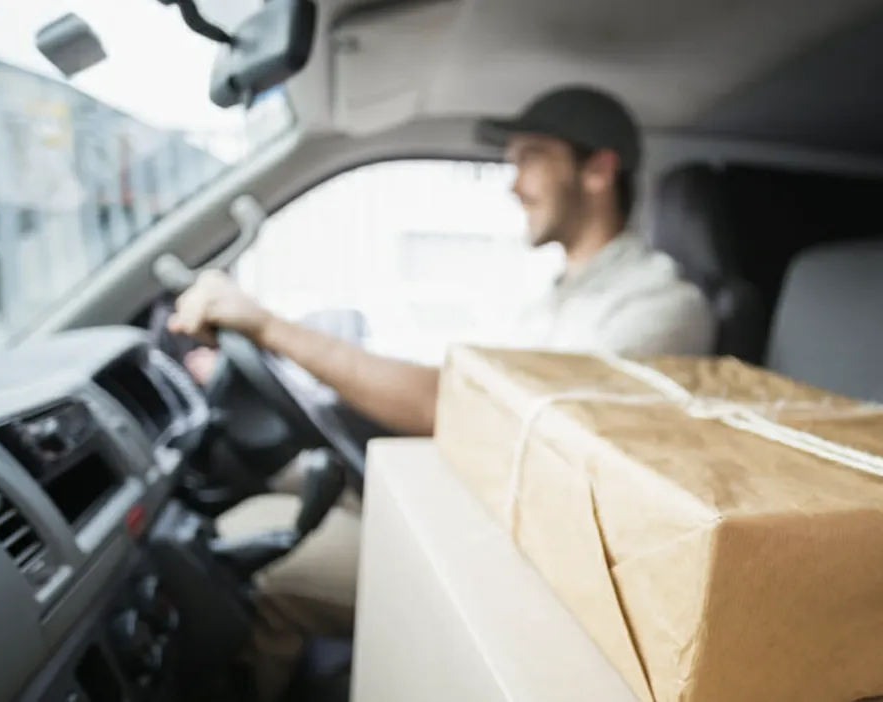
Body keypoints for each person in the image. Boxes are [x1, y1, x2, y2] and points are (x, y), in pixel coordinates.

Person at [169, 84, 717, 701]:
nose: (514, 185)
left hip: (531, 574)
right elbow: (463, 389)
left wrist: (269, 327)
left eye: (531, 158)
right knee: (278, 489)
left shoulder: (659, 308)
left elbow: (460, 406)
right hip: (475, 514)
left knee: (265, 562)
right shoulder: (554, 295)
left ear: (599, 169)